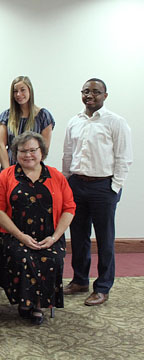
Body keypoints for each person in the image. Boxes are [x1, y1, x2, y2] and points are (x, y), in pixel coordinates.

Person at [0, 131, 76, 324]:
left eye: (32, 150)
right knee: (22, 257)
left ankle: (37, 304)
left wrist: (54, 237)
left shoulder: (56, 176)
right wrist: (21, 236)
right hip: (14, 236)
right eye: (22, 151)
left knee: (52, 257)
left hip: (49, 236)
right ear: (15, 153)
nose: (28, 155)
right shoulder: (6, 176)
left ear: (42, 152)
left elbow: (69, 208)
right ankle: (25, 303)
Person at [62, 78, 133, 306]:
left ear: (105, 95)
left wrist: (115, 187)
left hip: (103, 187)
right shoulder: (74, 121)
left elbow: (124, 158)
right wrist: (66, 182)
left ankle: (102, 287)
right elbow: (67, 154)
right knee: (79, 236)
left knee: (105, 239)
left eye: (95, 92)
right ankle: (80, 280)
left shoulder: (116, 122)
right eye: (85, 91)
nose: (89, 95)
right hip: (77, 185)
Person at [0, 76, 55, 169]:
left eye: (22, 90)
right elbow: (1, 146)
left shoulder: (43, 116)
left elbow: (44, 149)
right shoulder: (6, 116)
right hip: (10, 167)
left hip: (33, 169)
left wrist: (32, 169)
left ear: (30, 91)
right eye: (15, 91)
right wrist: (7, 172)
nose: (18, 94)